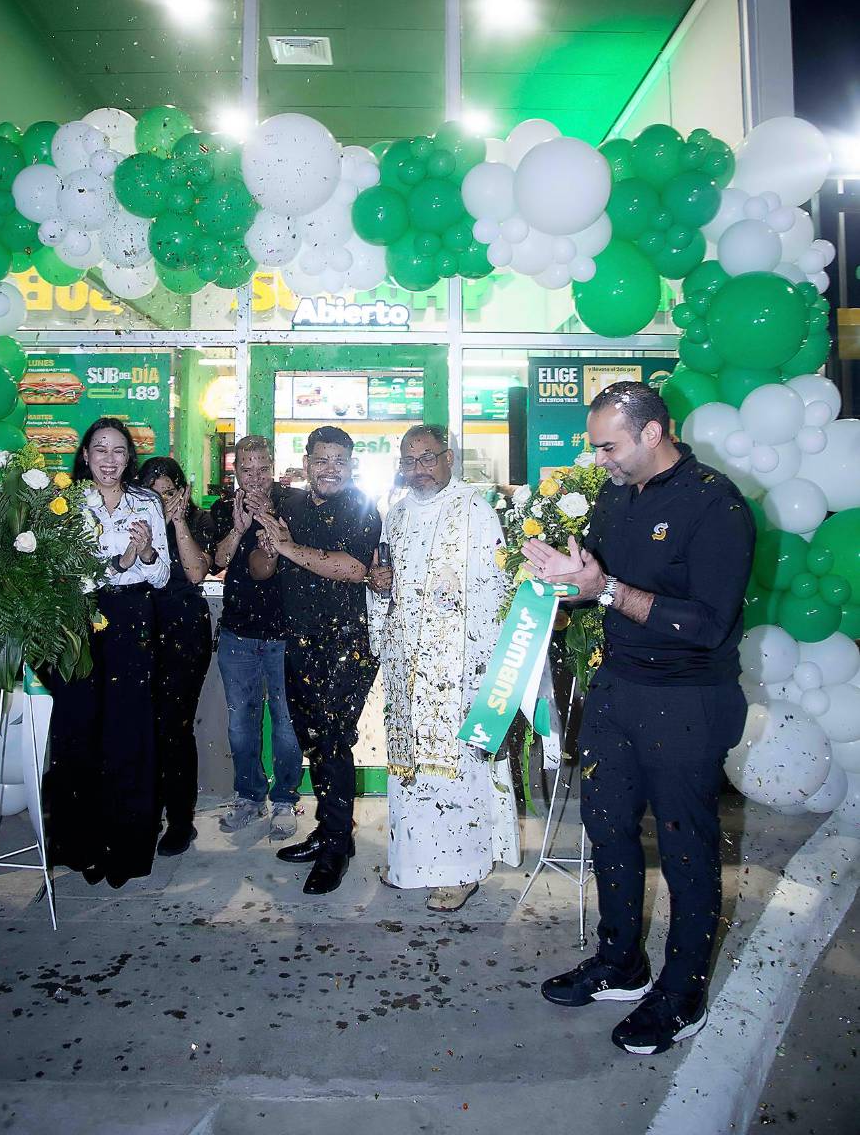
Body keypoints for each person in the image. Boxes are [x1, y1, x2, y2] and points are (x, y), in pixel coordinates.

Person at [523, 381, 755, 1056]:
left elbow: (707, 625)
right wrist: (565, 585)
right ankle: (620, 962)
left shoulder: (716, 504)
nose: (599, 460)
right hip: (618, 689)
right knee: (607, 829)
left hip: (687, 701)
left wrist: (606, 590)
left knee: (685, 849)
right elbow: (597, 585)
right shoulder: (616, 495)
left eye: (608, 446)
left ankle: (682, 994)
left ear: (653, 433)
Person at [366, 425, 521, 913]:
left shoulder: (475, 510)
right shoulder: (396, 514)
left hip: (460, 666)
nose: (418, 470)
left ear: (449, 458)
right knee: (410, 766)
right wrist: (379, 586)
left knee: (457, 769)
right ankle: (412, 863)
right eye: (409, 461)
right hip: (406, 662)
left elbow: (496, 588)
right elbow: (386, 580)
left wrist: (488, 668)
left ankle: (461, 871)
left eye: (427, 459)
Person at [41, 418, 170, 889]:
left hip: (132, 619)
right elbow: (63, 572)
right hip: (79, 620)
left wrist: (147, 554)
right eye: (100, 450)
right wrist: (120, 561)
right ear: (85, 455)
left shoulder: (147, 502)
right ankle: (83, 848)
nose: (109, 460)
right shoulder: (65, 504)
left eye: (118, 451)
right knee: (79, 732)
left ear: (129, 457)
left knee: (129, 733)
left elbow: (161, 576)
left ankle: (128, 850)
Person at [256, 426, 381, 896]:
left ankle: (334, 849)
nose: (330, 469)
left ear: (351, 466)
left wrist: (287, 547)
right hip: (299, 640)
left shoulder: (363, 507)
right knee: (314, 741)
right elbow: (263, 568)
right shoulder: (289, 505)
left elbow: (354, 568)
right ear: (306, 462)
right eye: (322, 460)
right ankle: (331, 831)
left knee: (332, 741)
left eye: (339, 461)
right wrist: (269, 547)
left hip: (347, 643)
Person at [210, 436, 301, 842]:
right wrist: (238, 528)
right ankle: (249, 797)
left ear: (273, 467)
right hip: (238, 632)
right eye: (247, 470)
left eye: (263, 469)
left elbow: (303, 555)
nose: (256, 478)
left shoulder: (295, 503)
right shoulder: (223, 508)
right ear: (236, 471)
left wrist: (274, 524)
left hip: (286, 633)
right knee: (240, 726)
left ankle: (285, 799)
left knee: (287, 725)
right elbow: (218, 561)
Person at [137, 456, 214, 858]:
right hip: (138, 630)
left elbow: (197, 572)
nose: (161, 501)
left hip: (184, 629)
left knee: (175, 726)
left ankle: (181, 820)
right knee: (141, 726)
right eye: (152, 494)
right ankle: (146, 811)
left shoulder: (198, 520)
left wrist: (178, 521)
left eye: (168, 493)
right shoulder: (131, 519)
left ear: (182, 491)